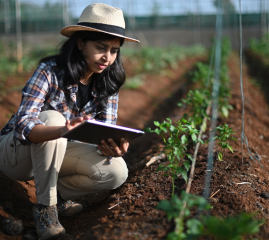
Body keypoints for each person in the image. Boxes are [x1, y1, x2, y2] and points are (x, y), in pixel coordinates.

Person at [0, 3, 140, 240]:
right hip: (15, 156)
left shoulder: (108, 83)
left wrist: (112, 147)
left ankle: (57, 196)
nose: (108, 57)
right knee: (52, 117)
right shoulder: (50, 70)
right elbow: (23, 125)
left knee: (116, 172)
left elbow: (104, 133)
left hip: (56, 154)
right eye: (101, 47)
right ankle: (46, 209)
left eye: (114, 50)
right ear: (80, 42)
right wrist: (61, 129)